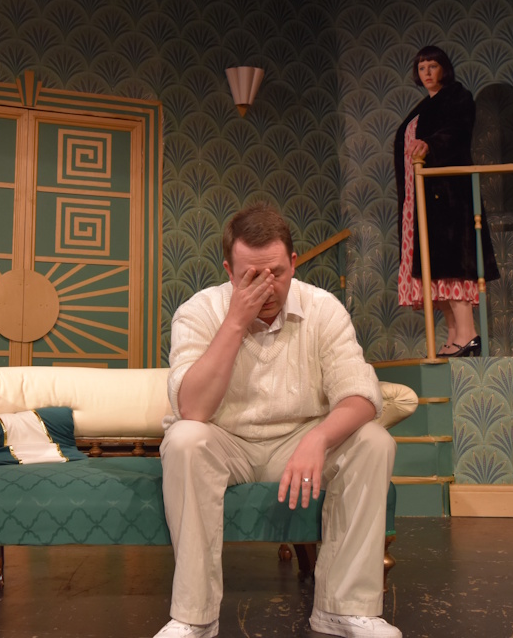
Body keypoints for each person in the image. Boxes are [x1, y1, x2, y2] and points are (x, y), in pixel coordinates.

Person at [154, 203, 400, 638]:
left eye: (277, 273)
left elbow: (363, 395)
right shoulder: (198, 311)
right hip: (225, 441)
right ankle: (194, 617)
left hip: (298, 441)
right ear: (229, 271)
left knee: (374, 440)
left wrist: (318, 438)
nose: (267, 287)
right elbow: (192, 409)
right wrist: (235, 322)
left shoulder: (323, 308)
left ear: (294, 263)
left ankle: (343, 609)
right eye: (251, 276)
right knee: (184, 438)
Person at [392, 45, 498, 357]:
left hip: (448, 197)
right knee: (435, 271)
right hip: (421, 198)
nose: (427, 73)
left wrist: (430, 145)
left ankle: (468, 334)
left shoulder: (457, 96)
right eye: (421, 67)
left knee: (452, 267)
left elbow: (457, 131)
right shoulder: (425, 105)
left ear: (444, 68)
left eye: (432, 66)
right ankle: (454, 334)